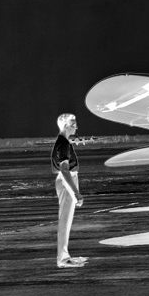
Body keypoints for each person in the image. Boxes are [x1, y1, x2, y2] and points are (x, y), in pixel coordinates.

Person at [51, 113, 87, 268]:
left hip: (67, 179)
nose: (76, 126)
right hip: (67, 180)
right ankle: (63, 259)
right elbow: (64, 170)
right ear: (65, 125)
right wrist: (76, 192)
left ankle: (65, 256)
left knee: (67, 220)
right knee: (65, 221)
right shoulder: (64, 143)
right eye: (73, 123)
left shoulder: (63, 142)